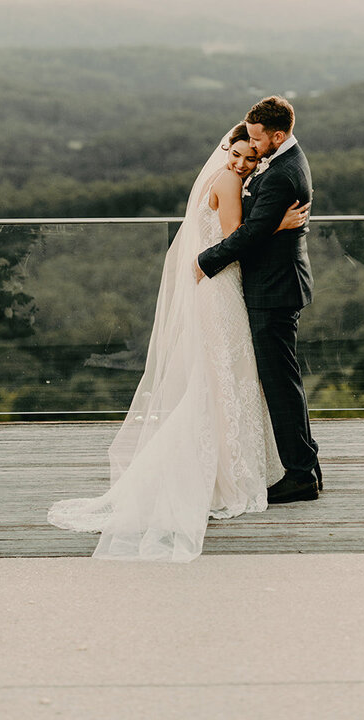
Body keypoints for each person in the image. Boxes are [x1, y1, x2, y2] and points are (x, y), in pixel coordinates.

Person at [47, 123, 309, 561]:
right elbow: (236, 238)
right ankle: (230, 470)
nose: (243, 164)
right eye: (238, 155)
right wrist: (278, 224)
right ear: (227, 149)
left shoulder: (236, 178)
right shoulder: (227, 180)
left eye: (251, 158)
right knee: (227, 375)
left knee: (230, 375)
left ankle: (250, 462)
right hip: (221, 284)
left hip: (227, 286)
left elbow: (241, 232)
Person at [197, 95, 320, 504]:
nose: (250, 146)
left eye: (256, 139)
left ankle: (301, 475)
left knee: (279, 383)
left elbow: (248, 235)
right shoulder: (287, 158)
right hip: (279, 283)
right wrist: (276, 224)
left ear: (277, 136)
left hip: (274, 288)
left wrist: (205, 260)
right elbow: (260, 225)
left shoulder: (283, 173)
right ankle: (308, 462)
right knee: (285, 380)